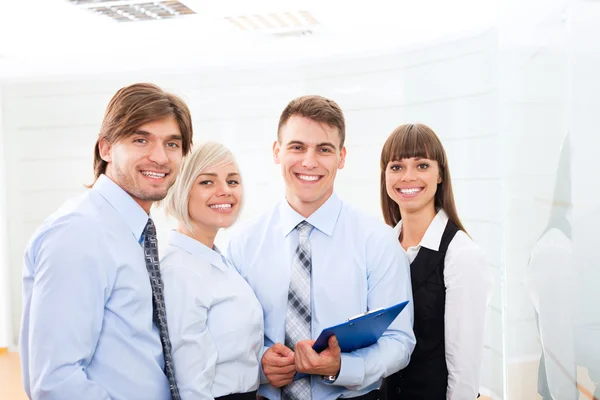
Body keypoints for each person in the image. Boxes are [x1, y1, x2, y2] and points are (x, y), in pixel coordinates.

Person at [227, 95, 416, 400]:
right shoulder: (241, 245)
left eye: (324, 149)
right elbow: (228, 338)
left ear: (341, 157)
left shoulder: (378, 242)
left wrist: (343, 366)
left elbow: (399, 342)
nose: (309, 162)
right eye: (297, 147)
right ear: (277, 152)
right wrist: (261, 364)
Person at [19, 83, 193, 400]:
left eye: (172, 144)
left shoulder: (133, 232)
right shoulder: (80, 232)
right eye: (141, 140)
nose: (159, 157)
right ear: (106, 149)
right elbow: (56, 381)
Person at [379, 123, 493, 399]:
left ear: (440, 174)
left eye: (421, 165)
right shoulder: (381, 248)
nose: (407, 176)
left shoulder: (461, 254)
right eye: (396, 167)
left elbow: (464, 368)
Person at [160, 142, 264, 400]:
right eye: (207, 182)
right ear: (182, 189)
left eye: (232, 181)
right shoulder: (179, 270)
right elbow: (190, 385)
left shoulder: (216, 260)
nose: (225, 191)